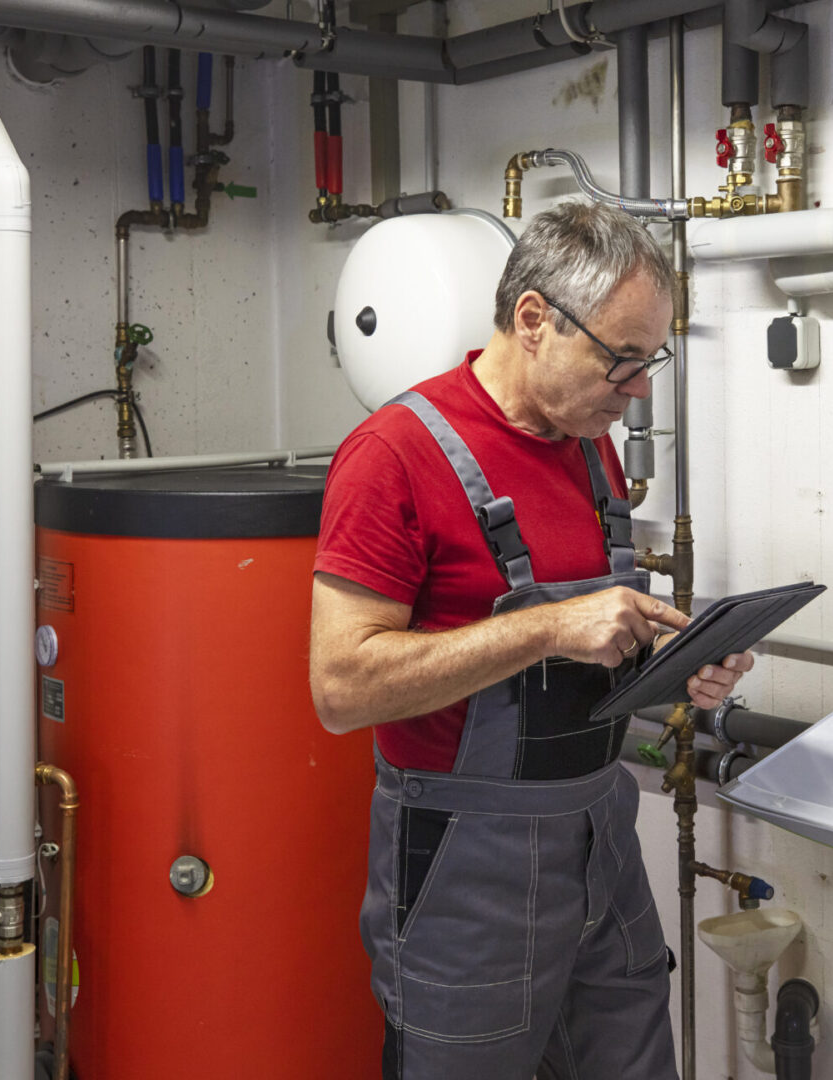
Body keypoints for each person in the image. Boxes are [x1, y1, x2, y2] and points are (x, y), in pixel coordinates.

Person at [310, 200, 753, 1080]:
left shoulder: (591, 449)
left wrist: (678, 666)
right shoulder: (394, 455)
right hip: (465, 875)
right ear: (533, 320)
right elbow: (341, 686)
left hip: (602, 843)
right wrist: (550, 627)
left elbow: (583, 660)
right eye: (621, 362)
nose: (638, 395)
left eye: (649, 361)